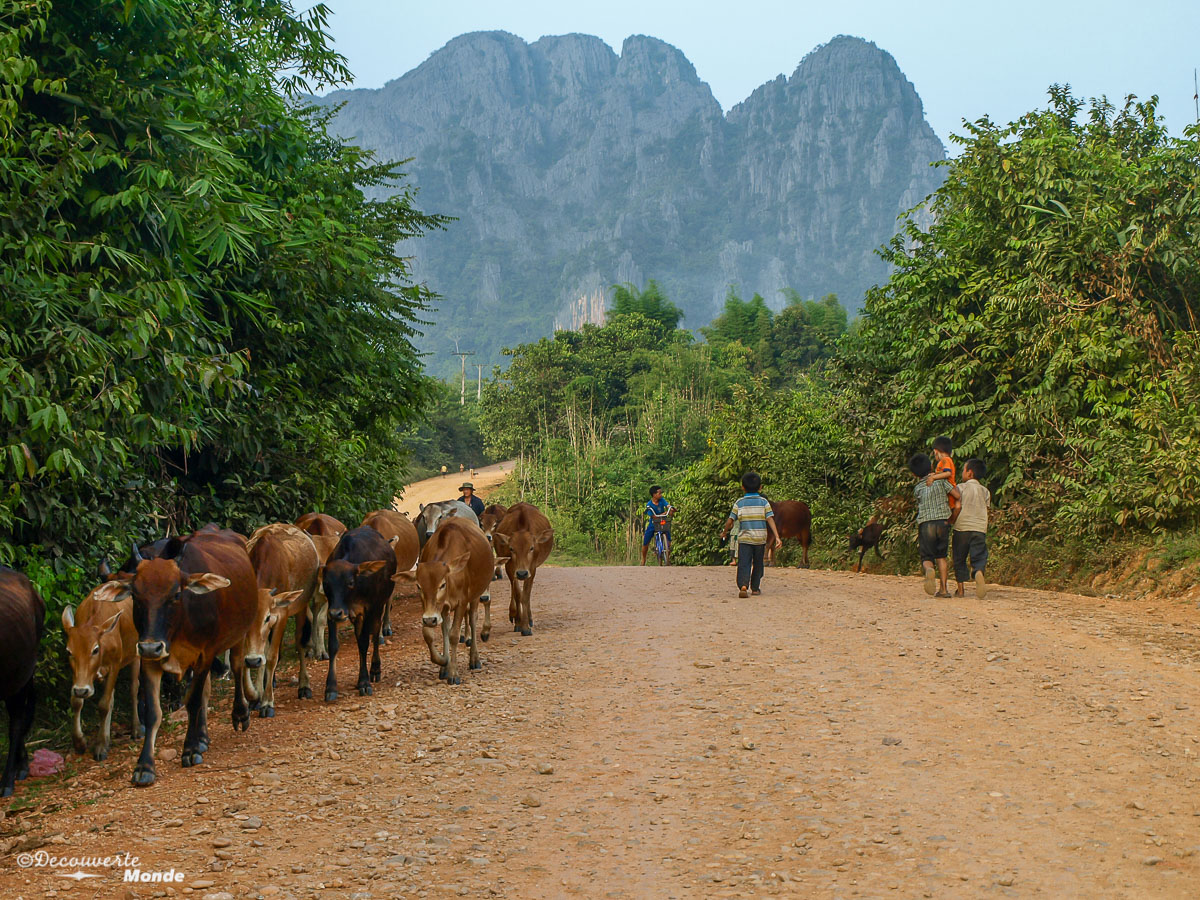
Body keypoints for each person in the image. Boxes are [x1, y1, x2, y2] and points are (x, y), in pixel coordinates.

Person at [718, 472, 781, 598]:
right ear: (760, 487)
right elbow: (770, 519)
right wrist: (777, 536)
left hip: (745, 539)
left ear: (742, 487)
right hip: (760, 539)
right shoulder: (764, 502)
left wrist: (724, 532)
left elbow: (730, 520)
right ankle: (755, 588)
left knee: (744, 563)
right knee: (758, 563)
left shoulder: (739, 503)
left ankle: (743, 585)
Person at [910, 453, 961, 598]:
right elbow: (956, 495)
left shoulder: (918, 488)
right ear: (931, 466)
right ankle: (944, 590)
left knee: (927, 557)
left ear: (914, 474)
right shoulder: (942, 481)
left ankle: (929, 571)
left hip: (926, 523)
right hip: (942, 522)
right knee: (941, 556)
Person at [953, 458, 991, 598]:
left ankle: (961, 590)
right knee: (979, 555)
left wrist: (951, 520)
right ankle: (979, 572)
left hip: (962, 527)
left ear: (969, 473)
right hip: (979, 528)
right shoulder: (985, 491)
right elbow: (987, 509)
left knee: (959, 557)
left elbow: (956, 506)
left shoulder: (960, 488)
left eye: (963, 470)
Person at [641, 485, 675, 565]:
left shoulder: (662, 500)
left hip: (662, 521)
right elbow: (653, 516)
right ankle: (643, 559)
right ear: (654, 494)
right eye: (659, 493)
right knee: (646, 541)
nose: (661, 495)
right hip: (654, 523)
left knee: (668, 538)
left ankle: (667, 558)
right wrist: (664, 513)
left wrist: (670, 508)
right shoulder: (649, 505)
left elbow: (667, 505)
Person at [925, 436, 959, 515]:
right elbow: (942, 473)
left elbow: (948, 473)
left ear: (936, 451)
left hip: (949, 492)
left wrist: (933, 477)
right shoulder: (944, 461)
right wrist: (935, 474)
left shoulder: (946, 460)